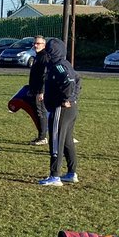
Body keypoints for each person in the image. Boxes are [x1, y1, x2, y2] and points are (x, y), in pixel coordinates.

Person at [37, 38, 81, 187]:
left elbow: (69, 81)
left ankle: (54, 176)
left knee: (55, 140)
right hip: (70, 109)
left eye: (48, 51)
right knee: (67, 141)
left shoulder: (59, 66)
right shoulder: (64, 64)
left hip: (60, 109)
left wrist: (67, 98)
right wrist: (73, 98)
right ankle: (71, 173)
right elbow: (78, 79)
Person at [27, 36, 48, 145]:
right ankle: (41, 136)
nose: (35, 45)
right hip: (34, 89)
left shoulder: (44, 56)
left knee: (41, 113)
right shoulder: (38, 56)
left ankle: (42, 137)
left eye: (38, 43)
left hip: (40, 91)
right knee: (38, 112)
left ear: (44, 45)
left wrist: (42, 92)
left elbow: (44, 76)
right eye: (34, 43)